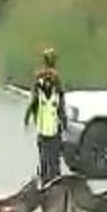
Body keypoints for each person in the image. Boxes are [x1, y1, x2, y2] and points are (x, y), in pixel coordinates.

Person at [23, 48, 67, 184]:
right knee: (54, 158)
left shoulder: (39, 81)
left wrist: (27, 117)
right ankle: (54, 181)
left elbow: (33, 102)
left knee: (44, 157)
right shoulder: (57, 81)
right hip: (53, 128)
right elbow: (61, 104)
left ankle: (44, 179)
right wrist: (64, 123)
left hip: (42, 127)